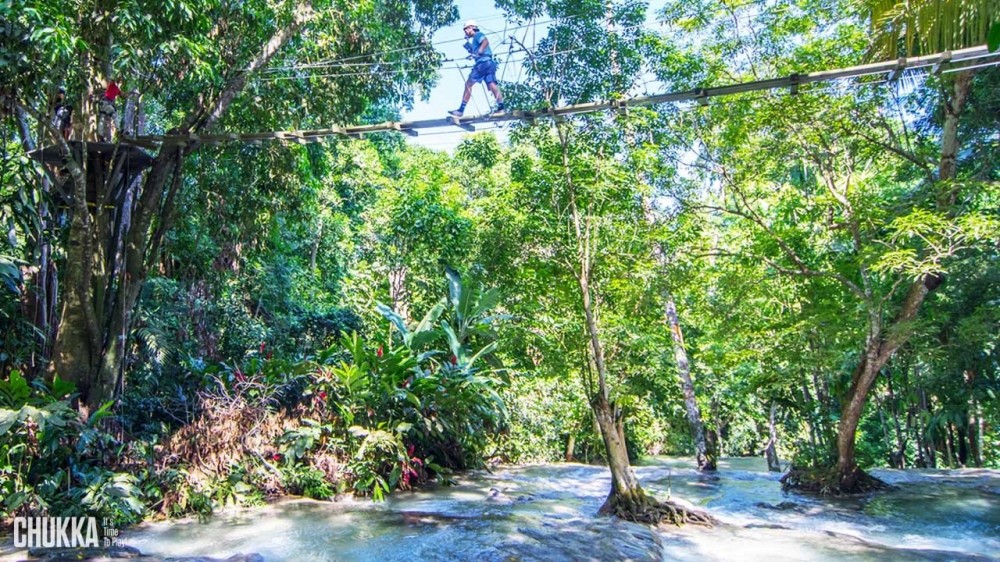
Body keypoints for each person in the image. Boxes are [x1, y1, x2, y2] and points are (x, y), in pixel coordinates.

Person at [449, 20, 505, 117]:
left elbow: (485, 41)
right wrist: (471, 49)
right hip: (489, 63)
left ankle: (461, 110)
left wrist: (479, 51)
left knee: (468, 84)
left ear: (471, 27)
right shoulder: (475, 39)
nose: (465, 32)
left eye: (466, 29)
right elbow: (479, 49)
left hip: (482, 64)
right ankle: (501, 108)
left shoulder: (477, 35)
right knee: (492, 85)